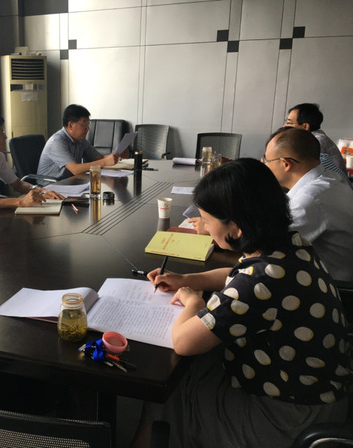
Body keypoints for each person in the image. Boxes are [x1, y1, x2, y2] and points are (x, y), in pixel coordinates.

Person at [131, 158, 350, 448]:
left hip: (286, 417)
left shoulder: (261, 282)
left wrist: (193, 302)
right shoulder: (288, 244)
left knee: (167, 391)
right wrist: (187, 278)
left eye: (207, 220)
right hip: (320, 391)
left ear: (235, 228)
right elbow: (237, 273)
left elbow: (183, 341)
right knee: (193, 367)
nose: (204, 227)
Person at [263, 127, 353, 282]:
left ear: (286, 164)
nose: (266, 166)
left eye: (267, 161)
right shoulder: (330, 177)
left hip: (331, 287)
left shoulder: (309, 200)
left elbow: (264, 249)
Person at [37, 104, 125, 180]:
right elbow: (75, 169)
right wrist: (105, 162)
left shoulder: (81, 140)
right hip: (50, 186)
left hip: (70, 182)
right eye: (84, 124)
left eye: (88, 124)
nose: (88, 128)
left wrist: (115, 156)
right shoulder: (57, 142)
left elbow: (99, 158)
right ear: (70, 125)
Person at [285, 103, 346, 173]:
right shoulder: (310, 138)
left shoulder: (317, 141)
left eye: (289, 123)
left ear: (305, 126)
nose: (285, 126)